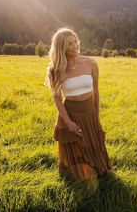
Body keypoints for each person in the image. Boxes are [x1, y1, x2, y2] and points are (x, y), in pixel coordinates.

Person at [44, 27, 113, 193]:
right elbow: (57, 99)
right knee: (79, 166)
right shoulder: (56, 69)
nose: (75, 46)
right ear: (61, 48)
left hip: (89, 111)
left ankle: (99, 171)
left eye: (75, 41)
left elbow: (96, 91)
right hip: (70, 114)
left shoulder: (90, 63)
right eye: (69, 44)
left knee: (96, 146)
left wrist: (96, 116)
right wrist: (67, 122)